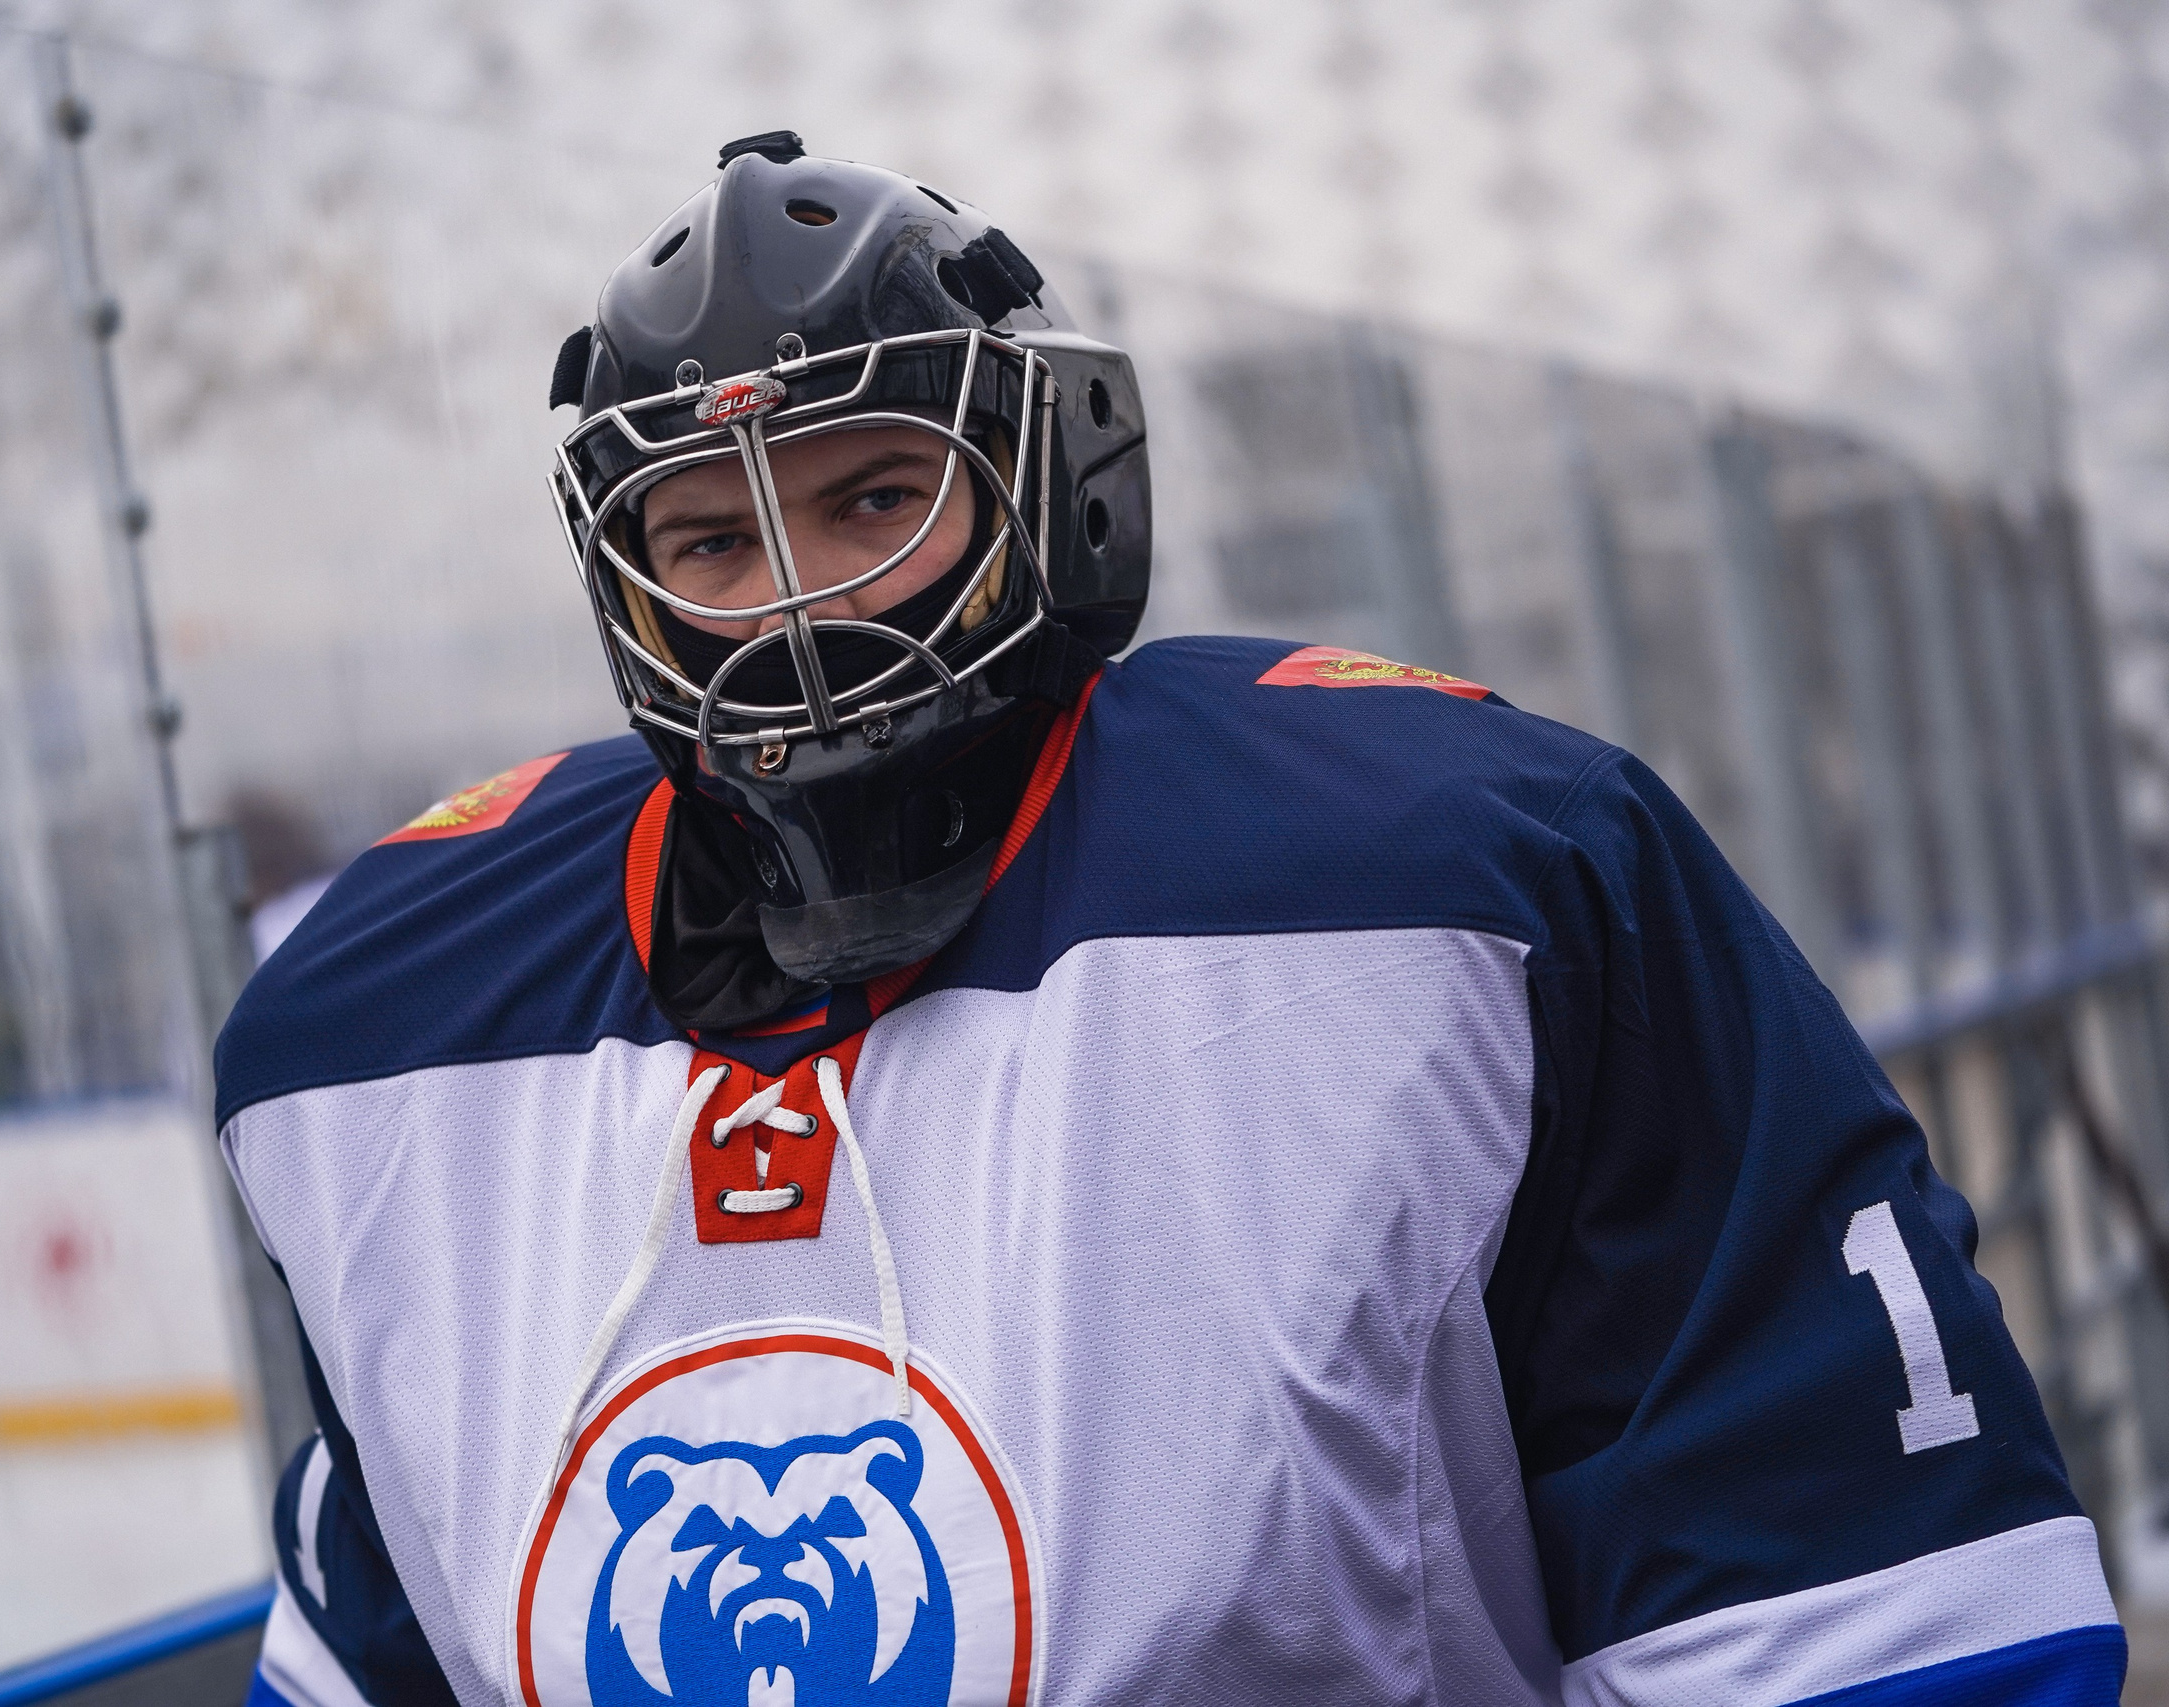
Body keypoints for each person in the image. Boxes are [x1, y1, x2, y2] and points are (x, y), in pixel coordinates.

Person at [218, 132, 2124, 1707]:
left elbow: (1855, 1617)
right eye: (713, 540)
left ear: (1052, 481)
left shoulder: (1463, 881)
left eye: (876, 498)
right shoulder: (375, 1022)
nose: (797, 608)